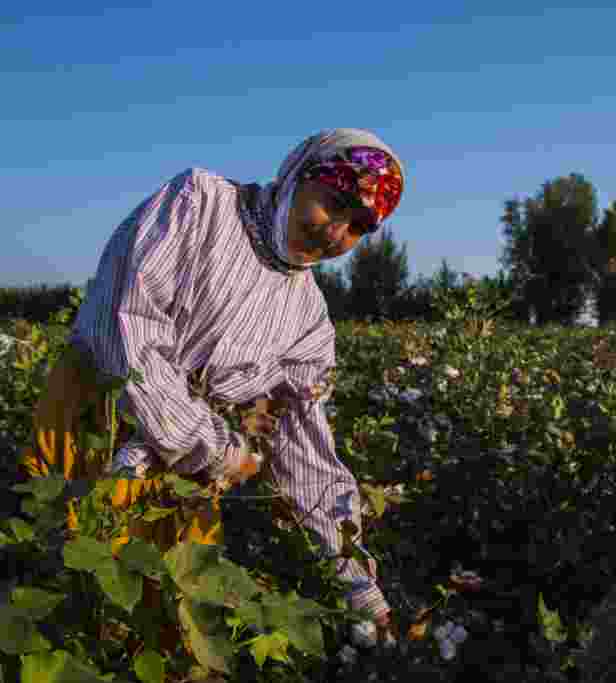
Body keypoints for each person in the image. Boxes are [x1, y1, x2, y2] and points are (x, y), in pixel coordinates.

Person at [19, 128, 403, 647]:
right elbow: (127, 330)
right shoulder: (201, 206)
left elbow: (305, 450)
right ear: (297, 174)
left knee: (177, 623)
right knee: (69, 603)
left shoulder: (309, 321)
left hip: (186, 472)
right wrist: (215, 447)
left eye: (358, 227)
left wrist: (359, 584)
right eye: (333, 204)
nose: (335, 233)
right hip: (97, 424)